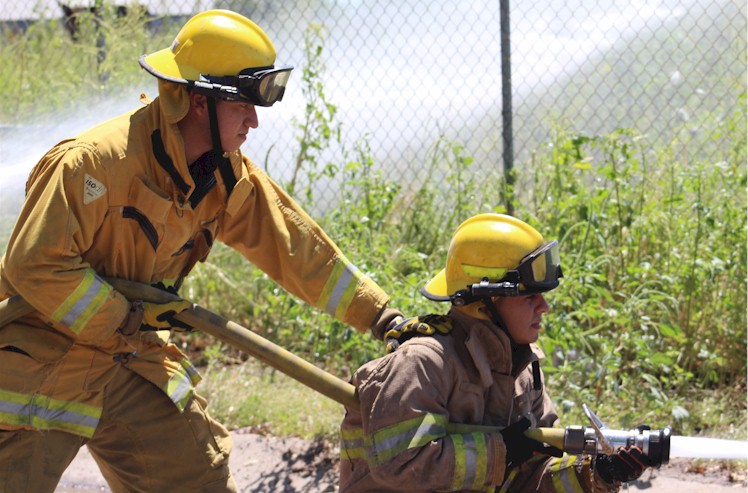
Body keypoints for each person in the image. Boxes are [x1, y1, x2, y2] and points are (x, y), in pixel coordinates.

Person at [0, 9, 401, 492]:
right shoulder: (93, 164)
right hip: (39, 361)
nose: (254, 120)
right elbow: (34, 263)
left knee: (200, 481)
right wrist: (120, 315)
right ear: (197, 102)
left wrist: (382, 318)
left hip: (129, 360)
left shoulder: (224, 173)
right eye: (242, 106)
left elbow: (296, 247)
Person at [339, 213, 654, 492]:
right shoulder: (422, 364)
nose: (544, 306)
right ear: (484, 302)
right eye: (529, 297)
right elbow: (401, 464)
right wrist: (501, 453)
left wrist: (597, 473)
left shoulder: (521, 369)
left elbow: (534, 478)